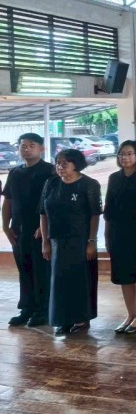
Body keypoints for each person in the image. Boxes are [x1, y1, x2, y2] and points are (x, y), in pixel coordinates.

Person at [39, 149, 102, 336]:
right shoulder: (51, 183)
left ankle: (81, 319)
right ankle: (63, 319)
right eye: (58, 162)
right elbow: (43, 214)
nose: (60, 166)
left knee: (80, 281)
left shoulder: (89, 184)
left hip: (80, 241)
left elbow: (94, 215)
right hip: (57, 241)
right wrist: (45, 242)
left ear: (76, 164)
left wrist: (91, 241)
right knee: (59, 282)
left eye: (65, 163)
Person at [2, 133, 55, 328]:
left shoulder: (50, 171)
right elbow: (8, 201)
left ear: (41, 148)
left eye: (31, 145)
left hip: (40, 230)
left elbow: (54, 202)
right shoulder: (15, 172)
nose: (26, 149)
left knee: (41, 270)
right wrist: (5, 226)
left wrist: (45, 228)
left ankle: (44, 309)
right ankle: (27, 308)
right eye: (23, 145)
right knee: (24, 269)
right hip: (18, 230)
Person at [104, 140, 136, 334]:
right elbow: (108, 210)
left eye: (129, 153)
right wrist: (107, 235)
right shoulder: (114, 178)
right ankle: (130, 314)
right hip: (118, 233)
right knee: (125, 276)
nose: (124, 157)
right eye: (121, 154)